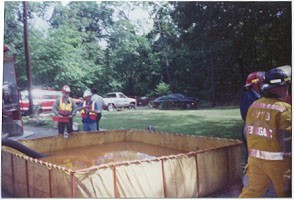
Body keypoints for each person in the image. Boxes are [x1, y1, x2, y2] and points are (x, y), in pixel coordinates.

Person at [239, 65, 291, 198]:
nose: (287, 90)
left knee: (251, 192)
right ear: (280, 88)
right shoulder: (284, 110)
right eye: (286, 87)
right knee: (286, 193)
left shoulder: (254, 106)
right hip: (279, 164)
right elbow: (287, 140)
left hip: (255, 161)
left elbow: (246, 132)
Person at [240, 71, 265, 164]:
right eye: (262, 83)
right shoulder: (247, 96)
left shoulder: (261, 96)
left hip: (259, 129)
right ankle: (249, 174)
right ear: (255, 84)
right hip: (250, 129)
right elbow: (245, 115)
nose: (264, 85)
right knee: (251, 155)